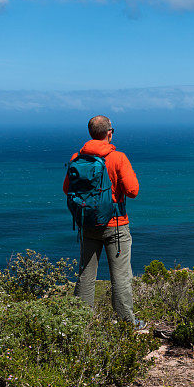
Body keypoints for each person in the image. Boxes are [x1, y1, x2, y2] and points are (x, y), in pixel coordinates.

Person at [63, 115, 145, 329]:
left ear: (90, 134)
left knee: (86, 275)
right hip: (116, 226)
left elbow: (66, 189)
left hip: (88, 224)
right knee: (121, 277)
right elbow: (133, 191)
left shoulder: (77, 157)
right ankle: (127, 323)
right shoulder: (118, 158)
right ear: (110, 132)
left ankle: (80, 323)